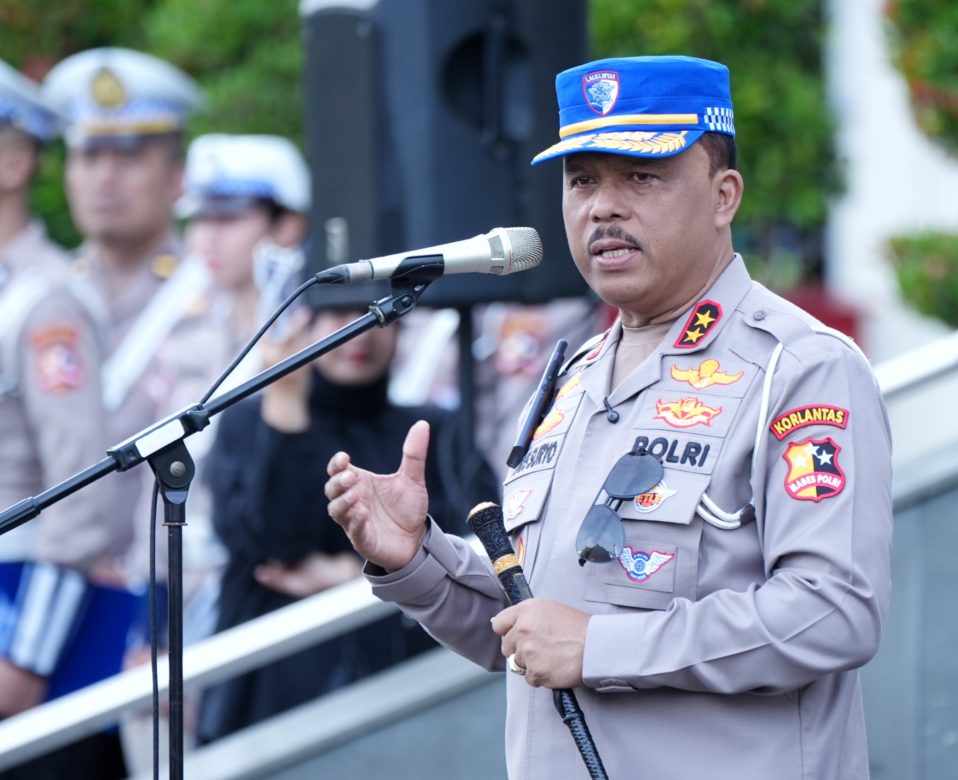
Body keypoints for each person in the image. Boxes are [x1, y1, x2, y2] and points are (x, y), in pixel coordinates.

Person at [325, 55, 893, 778]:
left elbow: (831, 613)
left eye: (641, 176)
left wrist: (599, 647)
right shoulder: (573, 376)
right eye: (582, 180)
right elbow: (534, 629)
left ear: (724, 196)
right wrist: (416, 559)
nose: (603, 207)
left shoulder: (802, 366)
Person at [196, 292, 498, 743]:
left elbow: (481, 558)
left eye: (375, 313)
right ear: (304, 324)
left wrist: (356, 581)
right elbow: (271, 540)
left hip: (407, 693)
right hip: (270, 696)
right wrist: (285, 410)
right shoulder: (250, 422)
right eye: (339, 311)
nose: (360, 331)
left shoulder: (431, 431)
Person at [116, 133, 312, 772]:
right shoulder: (179, 328)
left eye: (228, 219)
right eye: (199, 218)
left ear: (287, 224)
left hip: (265, 585)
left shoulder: (320, 328)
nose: (206, 236)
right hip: (174, 582)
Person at [0, 58, 125, 778]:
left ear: (16, 159)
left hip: (26, 626)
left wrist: (26, 656)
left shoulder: (44, 302)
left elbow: (79, 493)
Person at [40, 47, 206, 549]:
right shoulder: (39, 292)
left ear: (177, 178)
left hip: (160, 576)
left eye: (130, 157)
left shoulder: (210, 293)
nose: (105, 178)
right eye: (89, 156)